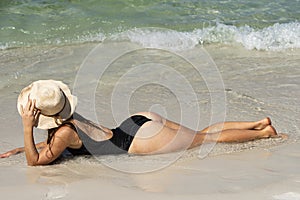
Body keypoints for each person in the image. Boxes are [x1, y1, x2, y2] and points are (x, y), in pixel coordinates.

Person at [0, 80, 286, 166]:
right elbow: (52, 146)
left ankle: (264, 135)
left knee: (204, 140)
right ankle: (258, 123)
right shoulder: (69, 122)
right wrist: (17, 150)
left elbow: (37, 162)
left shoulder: (62, 132)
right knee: (201, 134)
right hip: (137, 122)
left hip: (138, 142)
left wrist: (26, 127)